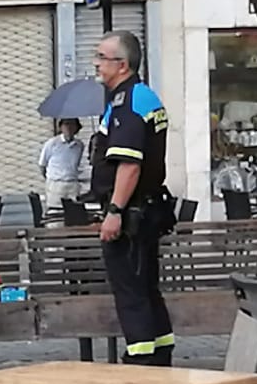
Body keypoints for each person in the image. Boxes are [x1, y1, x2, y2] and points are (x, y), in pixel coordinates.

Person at [92, 30, 176, 366]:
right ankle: (160, 354)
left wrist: (114, 211)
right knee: (145, 288)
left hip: (131, 215)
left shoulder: (128, 102)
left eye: (101, 57)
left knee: (131, 293)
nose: (96, 63)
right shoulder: (141, 97)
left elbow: (129, 165)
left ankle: (142, 363)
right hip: (145, 209)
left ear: (122, 65)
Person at [40, 117, 85, 208]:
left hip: (72, 184)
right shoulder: (52, 143)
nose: (69, 127)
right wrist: (51, 178)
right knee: (55, 212)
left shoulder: (79, 145)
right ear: (61, 127)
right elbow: (42, 165)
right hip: (56, 184)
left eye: (72, 124)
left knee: (74, 212)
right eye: (66, 124)